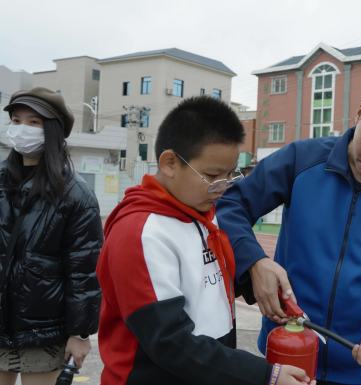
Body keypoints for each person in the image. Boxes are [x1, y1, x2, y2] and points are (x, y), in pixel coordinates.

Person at [217, 73, 361, 385]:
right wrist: (255, 262)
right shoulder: (302, 160)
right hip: (287, 361)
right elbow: (231, 204)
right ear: (359, 113)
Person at [96, 96, 314, 385]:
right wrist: (265, 376)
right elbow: (169, 342)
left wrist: (258, 282)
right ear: (170, 163)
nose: (223, 187)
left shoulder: (202, 213)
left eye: (229, 175)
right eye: (212, 175)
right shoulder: (140, 233)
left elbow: (207, 280)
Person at [0, 87, 103, 385]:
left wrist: (80, 333)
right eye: (16, 120)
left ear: (53, 131)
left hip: (44, 330)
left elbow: (84, 270)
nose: (22, 130)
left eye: (33, 123)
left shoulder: (76, 195)